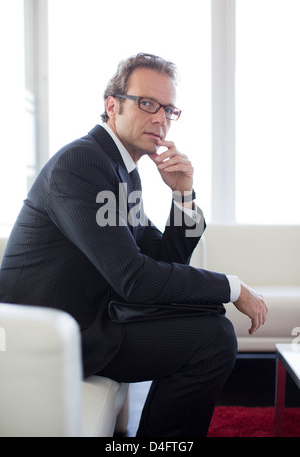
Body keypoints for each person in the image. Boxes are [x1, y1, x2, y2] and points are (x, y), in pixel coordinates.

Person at [0, 53, 268, 436]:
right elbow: (134, 279)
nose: (160, 118)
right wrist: (232, 287)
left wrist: (184, 196)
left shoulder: (122, 174)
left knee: (209, 318)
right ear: (113, 106)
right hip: (46, 338)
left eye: (169, 110)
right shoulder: (83, 164)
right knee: (213, 338)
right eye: (147, 104)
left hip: (87, 322)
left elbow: (161, 257)